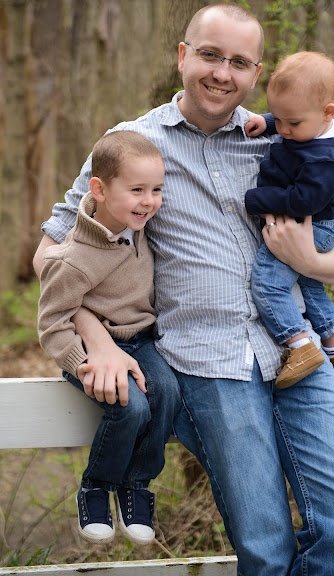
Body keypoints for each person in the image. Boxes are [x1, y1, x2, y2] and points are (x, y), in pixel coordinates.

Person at [34, 3, 334, 575]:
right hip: (210, 363)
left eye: (239, 62)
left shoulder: (282, 135)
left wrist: (310, 257)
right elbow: (52, 252)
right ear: (183, 55)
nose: (222, 72)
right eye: (211, 54)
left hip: (298, 348)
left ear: (255, 74)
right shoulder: (131, 143)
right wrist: (100, 340)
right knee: (263, 546)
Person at [37, 131, 181, 545]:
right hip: (87, 353)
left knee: (168, 392)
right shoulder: (72, 259)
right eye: (136, 190)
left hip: (142, 340)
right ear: (97, 189)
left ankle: (137, 485)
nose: (149, 201)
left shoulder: (142, 229)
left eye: (156, 190)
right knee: (129, 407)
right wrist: (82, 363)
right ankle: (96, 487)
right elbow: (52, 323)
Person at [244, 51, 334, 389]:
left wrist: (256, 201)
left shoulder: (324, 160)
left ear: (327, 113)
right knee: (308, 282)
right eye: (280, 120)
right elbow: (292, 111)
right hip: (318, 223)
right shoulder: (318, 124)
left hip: (312, 225)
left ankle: (300, 346)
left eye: (292, 124)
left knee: (268, 283)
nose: (284, 130)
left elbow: (302, 200)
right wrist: (266, 121)